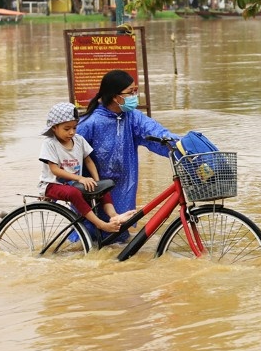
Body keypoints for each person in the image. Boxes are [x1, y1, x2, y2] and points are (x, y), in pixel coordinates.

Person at [76, 70, 180, 238]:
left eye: (135, 91)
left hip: (124, 188)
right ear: (116, 97)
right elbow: (68, 156)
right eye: (130, 92)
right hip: (95, 188)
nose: (134, 96)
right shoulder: (89, 123)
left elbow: (156, 133)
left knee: (118, 238)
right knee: (87, 239)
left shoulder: (132, 117)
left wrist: (182, 145)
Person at [38, 102, 133, 234]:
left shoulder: (79, 140)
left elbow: (89, 161)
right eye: (66, 129)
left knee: (101, 187)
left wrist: (97, 181)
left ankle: (114, 216)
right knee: (73, 193)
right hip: (51, 185)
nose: (71, 132)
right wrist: (81, 178)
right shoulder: (50, 143)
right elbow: (54, 170)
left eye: (74, 128)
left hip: (73, 183)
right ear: (54, 128)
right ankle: (101, 224)